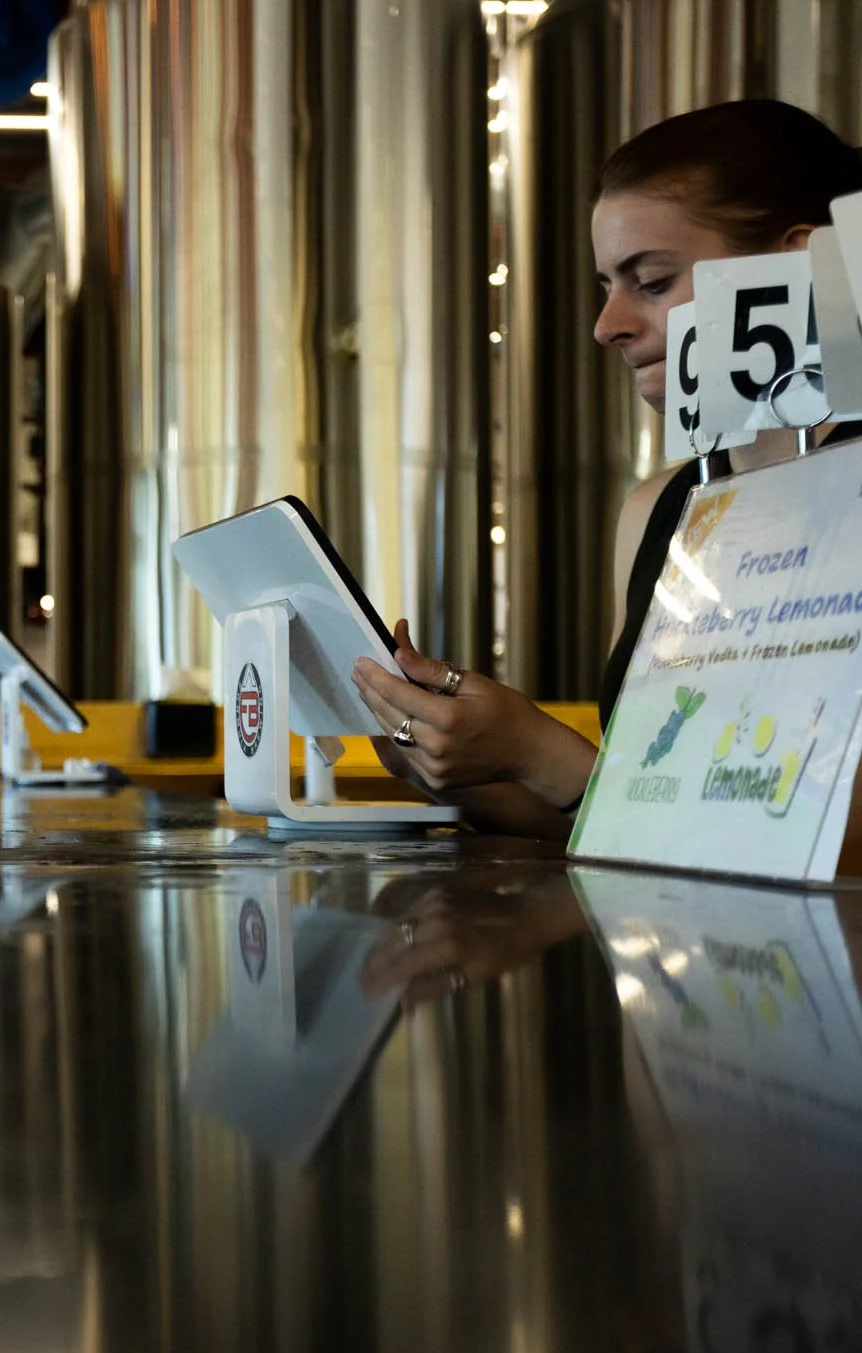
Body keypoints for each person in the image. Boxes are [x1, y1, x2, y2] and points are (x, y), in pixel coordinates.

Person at [351, 100, 862, 839]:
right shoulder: (659, 507)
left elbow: (810, 839)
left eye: (651, 281)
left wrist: (537, 747)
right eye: (607, 286)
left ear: (796, 262)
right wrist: (464, 759)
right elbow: (632, 806)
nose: (608, 325)